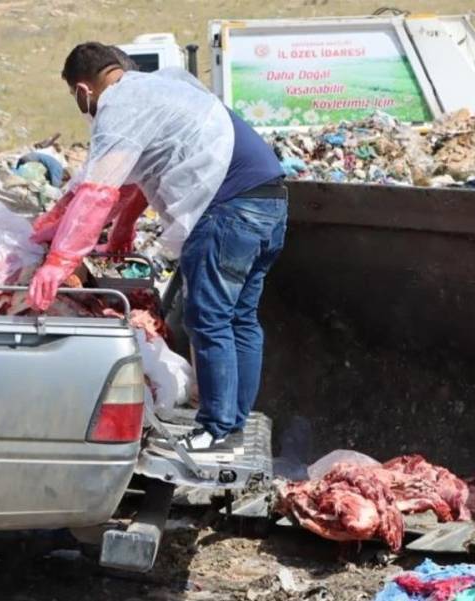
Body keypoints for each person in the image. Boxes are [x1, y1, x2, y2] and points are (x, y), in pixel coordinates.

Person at [26, 43, 288, 460]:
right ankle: (234, 422)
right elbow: (142, 176)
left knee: (209, 317)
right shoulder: (162, 88)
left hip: (228, 210)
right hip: (270, 204)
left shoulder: (120, 105)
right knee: (240, 319)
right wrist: (124, 229)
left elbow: (97, 192)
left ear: (82, 91)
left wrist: (59, 262)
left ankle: (216, 431)